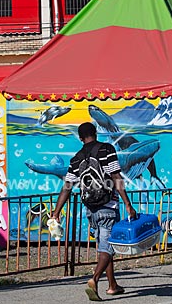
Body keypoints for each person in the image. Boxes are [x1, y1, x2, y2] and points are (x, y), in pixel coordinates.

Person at [51, 121, 136, 301]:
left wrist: (56, 212)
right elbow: (116, 177)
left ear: (81, 138)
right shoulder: (107, 149)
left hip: (90, 210)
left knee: (104, 246)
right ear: (96, 133)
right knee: (109, 246)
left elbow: (67, 187)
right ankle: (94, 279)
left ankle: (112, 285)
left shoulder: (76, 158)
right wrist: (127, 203)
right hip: (108, 207)